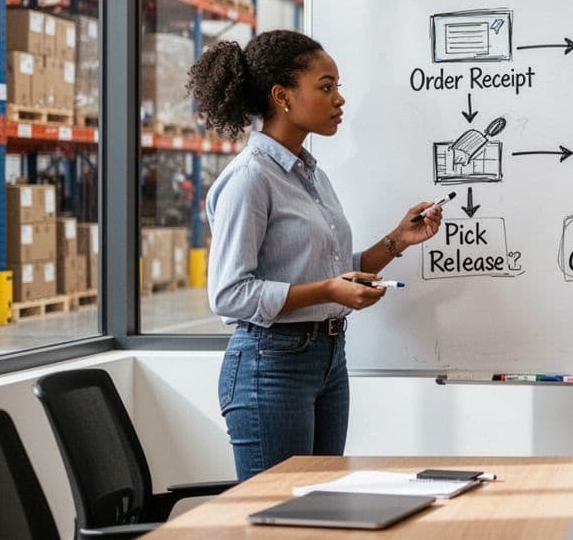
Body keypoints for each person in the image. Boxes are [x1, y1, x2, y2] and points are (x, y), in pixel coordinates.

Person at [189, 30, 443, 480]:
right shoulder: (251, 179)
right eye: (326, 87)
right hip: (270, 366)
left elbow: (342, 273)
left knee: (321, 510)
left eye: (337, 87)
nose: (339, 99)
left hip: (327, 359)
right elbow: (229, 294)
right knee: (279, 524)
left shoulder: (311, 175)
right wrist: (328, 290)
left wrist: (397, 241)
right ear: (282, 96)